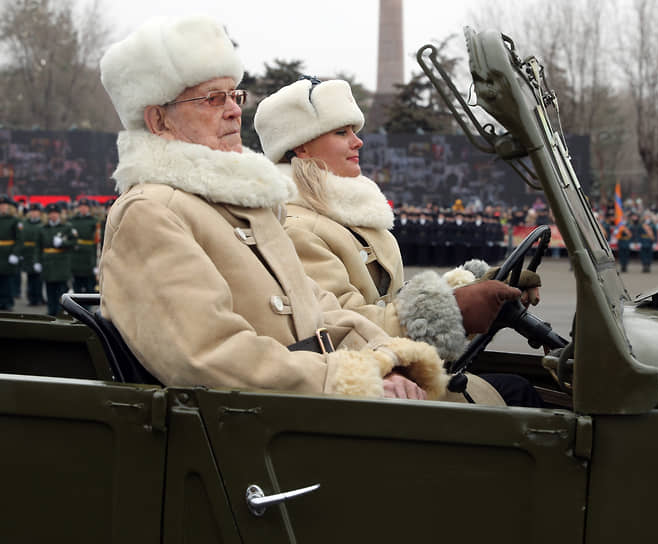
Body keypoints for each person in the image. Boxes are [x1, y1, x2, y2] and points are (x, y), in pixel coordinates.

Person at [97, 15, 469, 401]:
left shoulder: (243, 207)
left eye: (234, 96)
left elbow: (319, 311)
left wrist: (387, 358)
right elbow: (208, 355)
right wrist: (351, 380)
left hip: (299, 414)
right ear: (158, 119)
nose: (234, 110)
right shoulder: (151, 212)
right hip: (267, 433)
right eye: (212, 98)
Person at [254, 78, 544, 407]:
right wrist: (454, 308)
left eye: (354, 130)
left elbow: (393, 299)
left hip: (394, 372)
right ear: (301, 146)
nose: (358, 141)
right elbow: (339, 326)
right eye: (341, 132)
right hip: (370, 387)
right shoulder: (298, 229)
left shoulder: (344, 218)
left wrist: (477, 285)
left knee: (520, 386)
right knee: (520, 392)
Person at [37, 203, 76, 316]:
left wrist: (63, 243)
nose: (53, 215)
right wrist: (37, 261)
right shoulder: (42, 228)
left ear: (59, 214)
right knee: (49, 289)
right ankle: (51, 312)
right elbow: (38, 247)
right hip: (48, 263)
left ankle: (60, 312)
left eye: (55, 213)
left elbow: (74, 243)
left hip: (61, 264)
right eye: (51, 213)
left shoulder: (67, 227)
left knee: (61, 290)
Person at [70, 198, 100, 293]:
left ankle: (88, 307)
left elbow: (97, 242)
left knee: (89, 285)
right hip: (76, 255)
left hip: (89, 255)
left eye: (85, 207)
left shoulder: (94, 221)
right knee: (77, 284)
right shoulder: (73, 220)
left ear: (89, 208)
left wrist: (97, 264)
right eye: (81, 207)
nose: (83, 209)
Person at [0, 194, 23, 311]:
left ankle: (8, 302)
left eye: (4, 205)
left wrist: (15, 253)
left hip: (8, 253)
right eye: (1, 205)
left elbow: (19, 239)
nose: (2, 207)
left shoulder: (14, 220)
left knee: (8, 280)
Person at [21, 202, 45, 306]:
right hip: (27, 253)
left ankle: (39, 297)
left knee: (39, 278)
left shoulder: (43, 224)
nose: (33, 214)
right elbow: (21, 238)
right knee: (30, 277)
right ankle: (31, 298)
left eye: (36, 211)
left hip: (39, 253)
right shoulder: (24, 223)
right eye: (32, 211)